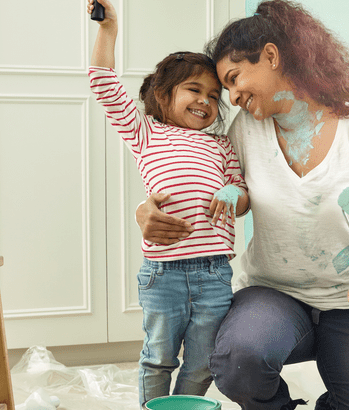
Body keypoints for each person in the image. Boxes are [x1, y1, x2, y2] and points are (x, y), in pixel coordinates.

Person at [136, 1, 349, 409]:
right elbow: (196, 182)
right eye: (225, 89)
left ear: (270, 56)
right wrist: (144, 210)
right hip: (274, 293)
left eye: (233, 79)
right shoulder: (245, 129)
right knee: (237, 362)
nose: (231, 96)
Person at [86, 0, 249, 406]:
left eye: (214, 96)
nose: (206, 102)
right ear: (162, 94)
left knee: (202, 362)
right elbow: (103, 83)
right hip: (162, 274)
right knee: (158, 358)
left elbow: (243, 195)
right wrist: (109, 31)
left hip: (214, 272)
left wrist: (233, 194)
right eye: (194, 90)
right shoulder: (147, 134)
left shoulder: (221, 144)